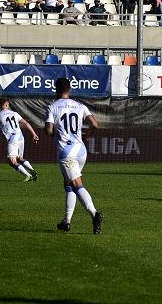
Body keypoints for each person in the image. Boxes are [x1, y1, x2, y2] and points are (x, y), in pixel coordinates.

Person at [45, 77, 103, 234]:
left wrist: (54, 131)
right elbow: (95, 124)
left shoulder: (52, 107)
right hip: (81, 150)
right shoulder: (80, 106)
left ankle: (94, 213)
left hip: (67, 152)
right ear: (69, 90)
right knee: (69, 184)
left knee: (77, 184)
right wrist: (88, 136)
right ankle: (66, 221)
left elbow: (49, 130)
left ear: (56, 90)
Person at [0, 97, 40, 182]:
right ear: (7, 105)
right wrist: (34, 134)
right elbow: (26, 123)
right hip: (21, 137)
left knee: (12, 162)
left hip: (13, 138)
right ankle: (32, 170)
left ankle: (28, 176)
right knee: (20, 159)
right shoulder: (15, 113)